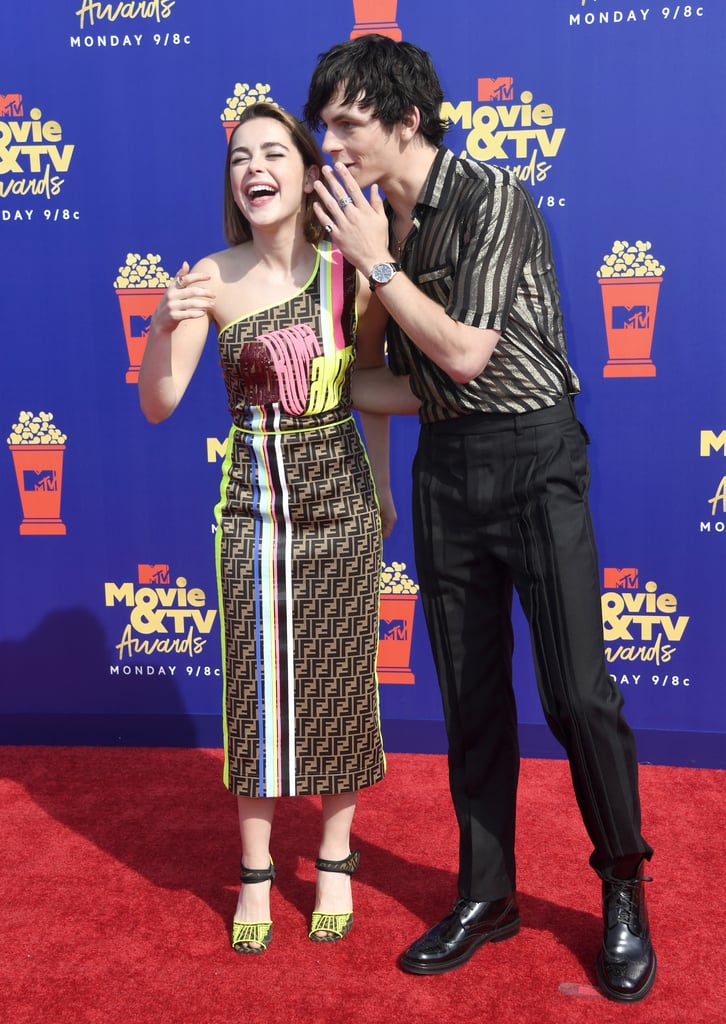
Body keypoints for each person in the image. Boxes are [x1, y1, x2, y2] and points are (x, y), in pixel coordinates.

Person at [303, 34, 656, 1002]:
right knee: (470, 696)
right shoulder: (375, 225)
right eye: (322, 124)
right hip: (447, 469)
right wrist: (316, 382)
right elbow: (401, 386)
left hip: (536, 458)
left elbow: (461, 353)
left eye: (347, 122)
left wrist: (376, 268)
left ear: (407, 118)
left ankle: (623, 881)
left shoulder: (493, 195)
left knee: (578, 693)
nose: (327, 142)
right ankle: (487, 893)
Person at [138, 102, 394, 953]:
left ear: (304, 168)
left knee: (342, 688)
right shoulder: (210, 274)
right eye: (241, 154)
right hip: (251, 511)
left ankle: (333, 861)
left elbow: (369, 387)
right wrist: (163, 322)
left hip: (343, 502)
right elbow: (159, 403)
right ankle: (253, 874)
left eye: (273, 151)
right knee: (256, 691)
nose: (254, 165)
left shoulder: (347, 272)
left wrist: (386, 487)